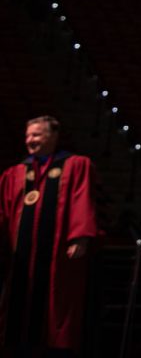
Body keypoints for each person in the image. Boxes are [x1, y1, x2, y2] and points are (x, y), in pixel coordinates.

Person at [0, 116, 99, 356]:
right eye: (27, 136)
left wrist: (79, 236)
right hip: (20, 257)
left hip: (58, 254)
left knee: (58, 300)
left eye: (36, 135)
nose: (29, 140)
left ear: (52, 136)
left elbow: (81, 199)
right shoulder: (14, 174)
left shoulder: (76, 165)